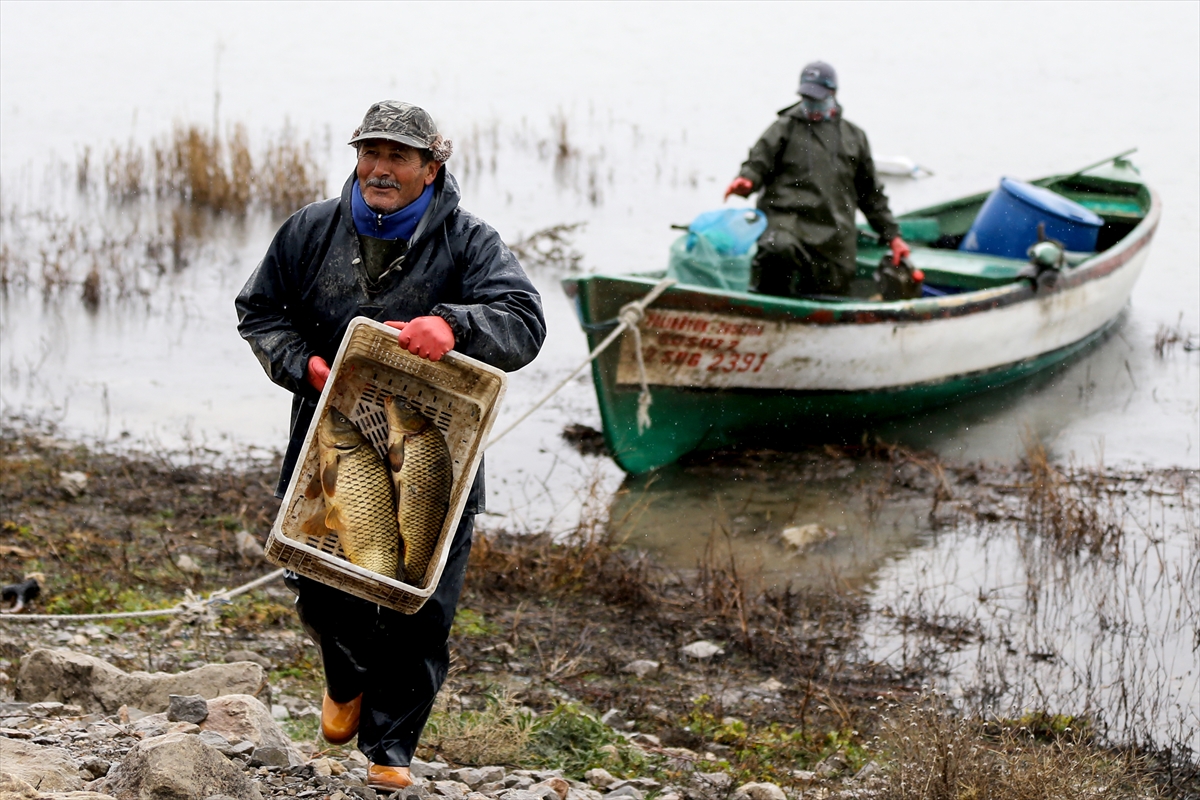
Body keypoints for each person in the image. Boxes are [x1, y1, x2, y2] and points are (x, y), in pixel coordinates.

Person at [235, 101, 545, 792]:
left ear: (432, 167)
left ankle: (390, 749)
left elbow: (524, 322)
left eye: (398, 157)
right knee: (318, 579)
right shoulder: (310, 230)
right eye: (370, 153)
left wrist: (455, 326)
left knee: (420, 605)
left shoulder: (469, 241)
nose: (380, 169)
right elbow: (260, 313)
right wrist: (304, 367)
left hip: (436, 450)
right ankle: (345, 678)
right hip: (331, 434)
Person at [725, 61, 910, 297]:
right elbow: (757, 163)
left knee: (833, 288)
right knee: (776, 249)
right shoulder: (783, 128)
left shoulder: (854, 137)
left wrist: (892, 236)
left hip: (834, 235)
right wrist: (746, 181)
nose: (812, 106)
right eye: (807, 99)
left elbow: (871, 194)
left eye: (818, 99)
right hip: (787, 224)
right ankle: (769, 309)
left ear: (833, 95)